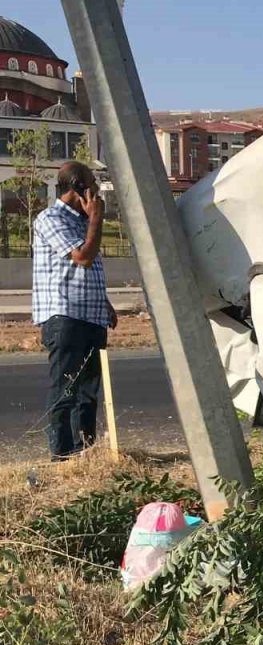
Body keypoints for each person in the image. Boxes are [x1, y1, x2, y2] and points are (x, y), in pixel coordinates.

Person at [31, 161, 116, 461]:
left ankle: (85, 450)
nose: (97, 191)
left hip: (91, 315)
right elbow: (82, 258)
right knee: (65, 388)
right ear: (78, 188)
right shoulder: (51, 218)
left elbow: (85, 272)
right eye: (93, 185)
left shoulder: (82, 221)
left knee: (88, 392)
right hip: (65, 317)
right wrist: (96, 219)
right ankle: (62, 454)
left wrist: (104, 303)